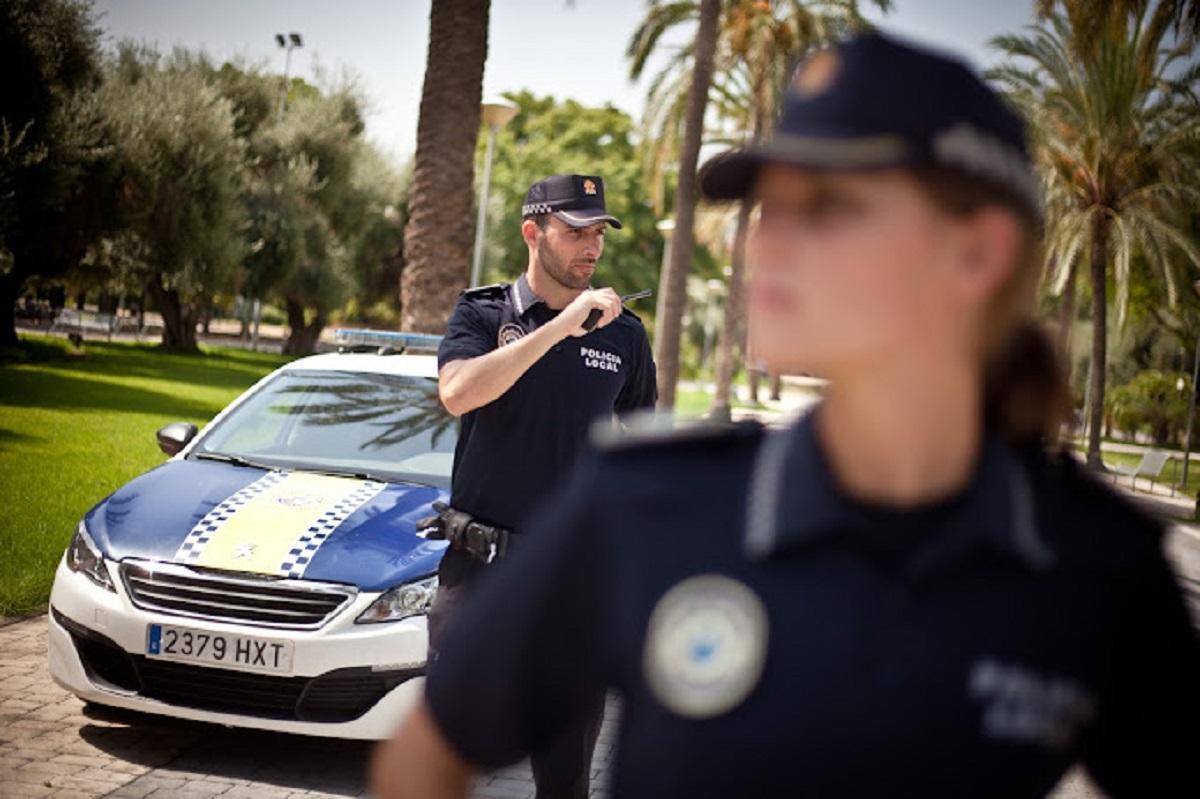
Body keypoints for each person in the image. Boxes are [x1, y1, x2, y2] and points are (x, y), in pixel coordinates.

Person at [372, 32, 1200, 798]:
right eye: (769, 205)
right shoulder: (647, 509)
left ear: (977, 251)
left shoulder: (1099, 572)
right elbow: (428, 754)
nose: (765, 243)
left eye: (828, 205)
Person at [418, 173, 657, 799]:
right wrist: (560, 327)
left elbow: (640, 448)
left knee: (566, 775)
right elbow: (458, 393)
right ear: (533, 232)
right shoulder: (483, 312)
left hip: (572, 585)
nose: (592, 247)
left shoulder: (626, 335)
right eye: (576, 230)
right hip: (477, 573)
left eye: (599, 232)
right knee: (441, 761)